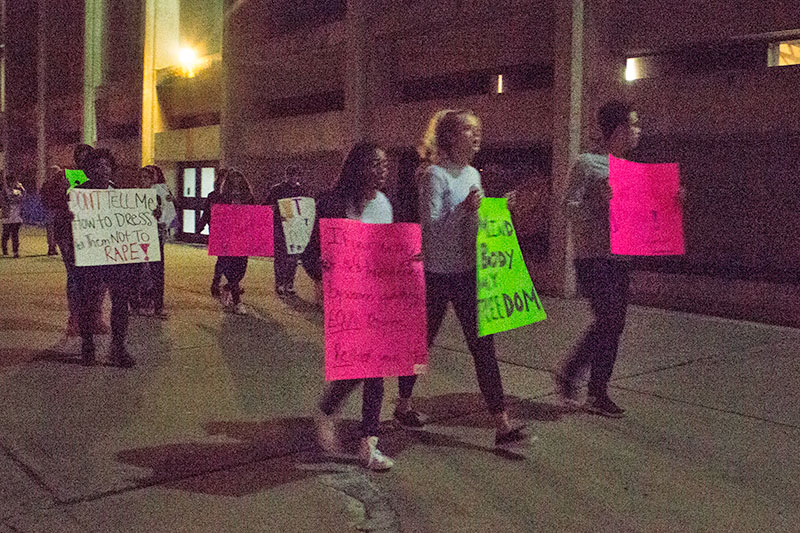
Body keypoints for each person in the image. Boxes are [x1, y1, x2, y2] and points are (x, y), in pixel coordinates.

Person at [393, 109, 528, 447]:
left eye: (477, 129)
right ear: (450, 137)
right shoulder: (433, 176)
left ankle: (502, 425)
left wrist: (497, 210)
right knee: (421, 344)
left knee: (484, 348)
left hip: (468, 272)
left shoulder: (472, 174)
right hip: (437, 274)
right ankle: (404, 404)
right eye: (468, 129)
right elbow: (432, 230)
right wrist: (465, 210)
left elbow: (475, 223)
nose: (476, 134)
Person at [303, 143, 396, 470]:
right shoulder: (331, 203)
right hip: (344, 296)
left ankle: (367, 442)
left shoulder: (386, 204)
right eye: (374, 164)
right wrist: (322, 269)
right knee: (363, 367)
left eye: (384, 165)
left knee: (373, 368)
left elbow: (388, 251)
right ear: (357, 168)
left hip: (377, 295)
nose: (382, 170)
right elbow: (309, 252)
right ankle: (331, 414)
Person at [553, 100, 642, 418]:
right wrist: (595, 201)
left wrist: (668, 201)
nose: (638, 131)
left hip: (621, 257)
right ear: (618, 130)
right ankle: (574, 375)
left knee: (614, 325)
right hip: (593, 258)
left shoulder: (632, 170)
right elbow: (567, 208)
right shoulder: (587, 164)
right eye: (634, 125)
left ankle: (596, 391)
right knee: (609, 320)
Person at [73, 148, 135, 367]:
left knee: (120, 302)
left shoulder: (120, 194)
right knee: (89, 303)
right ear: (88, 170)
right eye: (97, 166)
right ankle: (87, 345)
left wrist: (148, 215)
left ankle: (118, 348)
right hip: (90, 258)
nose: (102, 170)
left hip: (116, 258)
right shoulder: (77, 195)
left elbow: (131, 223)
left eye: (106, 165)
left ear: (112, 169)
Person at [213, 168, 255, 314]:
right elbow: (216, 215)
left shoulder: (248, 197)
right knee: (230, 269)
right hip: (227, 237)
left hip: (243, 236)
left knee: (241, 269)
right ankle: (237, 302)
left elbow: (255, 214)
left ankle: (227, 288)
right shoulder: (221, 197)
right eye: (233, 180)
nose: (236, 183)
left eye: (239, 179)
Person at [134, 165, 171, 319]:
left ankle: (158, 305)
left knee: (157, 272)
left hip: (155, 238)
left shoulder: (160, 194)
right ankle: (138, 303)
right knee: (138, 271)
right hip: (137, 238)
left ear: (153, 179)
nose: (144, 181)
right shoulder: (132, 196)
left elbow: (169, 215)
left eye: (147, 177)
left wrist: (161, 215)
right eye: (141, 177)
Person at [266, 164, 308, 297]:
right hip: (281, 226)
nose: (293, 178)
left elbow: (306, 208)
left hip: (295, 227)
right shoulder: (278, 190)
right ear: (287, 176)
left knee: (293, 258)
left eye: (295, 175)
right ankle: (280, 283)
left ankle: (289, 283)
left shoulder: (302, 190)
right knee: (280, 257)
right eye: (291, 175)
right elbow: (267, 204)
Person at [198, 171, 225, 298]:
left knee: (230, 258)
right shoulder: (213, 196)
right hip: (217, 229)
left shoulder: (232, 196)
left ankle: (225, 282)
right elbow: (207, 212)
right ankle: (217, 281)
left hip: (231, 230)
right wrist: (201, 226)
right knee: (222, 257)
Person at [1, 175, 25, 258]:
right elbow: (6, 200)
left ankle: (15, 251)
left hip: (16, 216)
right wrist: (16, 198)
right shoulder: (5, 190)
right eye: (12, 181)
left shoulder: (18, 190)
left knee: (15, 235)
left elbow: (23, 198)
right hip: (7, 216)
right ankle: (4, 249)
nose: (13, 183)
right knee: (6, 234)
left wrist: (22, 188)